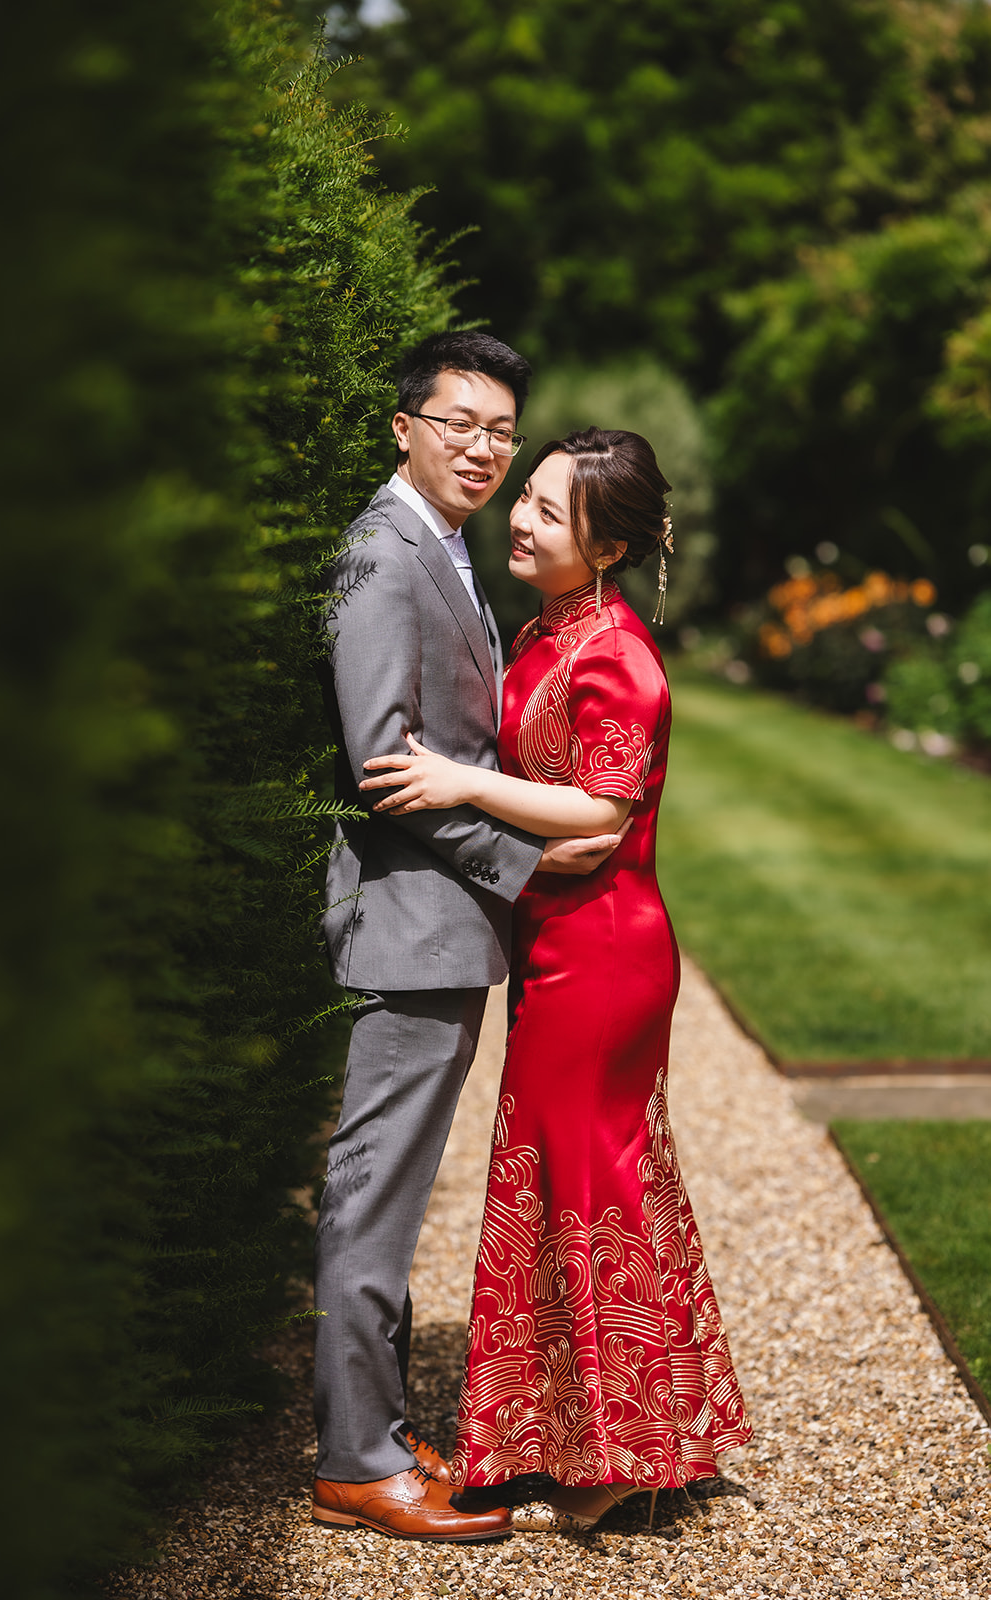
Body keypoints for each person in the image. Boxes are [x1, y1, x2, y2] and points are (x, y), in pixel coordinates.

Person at [361, 427, 754, 1532]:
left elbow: (599, 816)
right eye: (524, 498)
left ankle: (614, 1455)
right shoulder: (550, 630)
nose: (519, 518)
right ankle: (593, 1433)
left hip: (605, 950)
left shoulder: (616, 654)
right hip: (557, 942)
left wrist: (455, 781)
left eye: (546, 508)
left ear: (610, 543)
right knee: (563, 1182)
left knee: (591, 1186)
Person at [312, 337, 627, 1544]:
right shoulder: (381, 557)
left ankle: (379, 1434)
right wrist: (527, 858)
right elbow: (385, 764)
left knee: (382, 1193)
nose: (483, 447)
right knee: (371, 1199)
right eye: (458, 421)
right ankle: (356, 1461)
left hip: (439, 933)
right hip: (406, 932)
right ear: (404, 426)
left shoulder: (440, 549)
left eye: (501, 428)